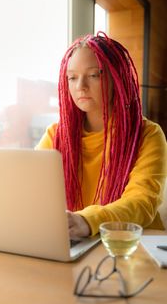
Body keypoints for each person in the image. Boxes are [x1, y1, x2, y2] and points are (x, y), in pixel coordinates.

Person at [36, 32, 167, 240]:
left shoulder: (147, 135)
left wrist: (87, 221)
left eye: (94, 75)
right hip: (81, 243)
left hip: (137, 246)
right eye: (72, 77)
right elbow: (30, 190)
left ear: (118, 78)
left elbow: (142, 202)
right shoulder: (56, 135)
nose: (80, 87)